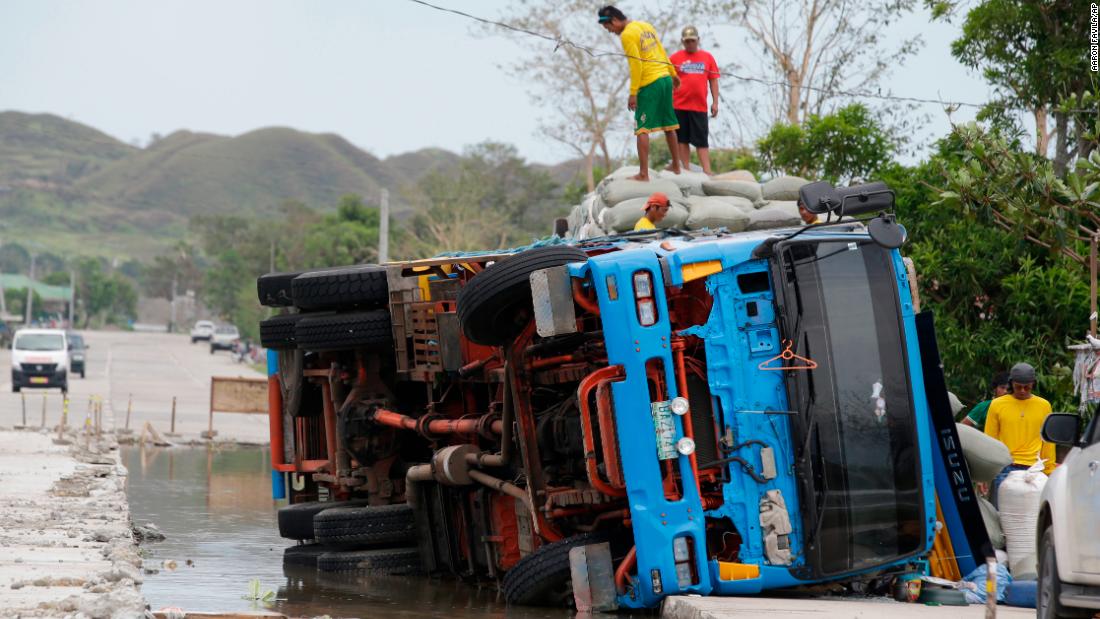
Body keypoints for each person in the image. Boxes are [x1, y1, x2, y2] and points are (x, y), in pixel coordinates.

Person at [598, 6, 681, 181]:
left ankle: (643, 174)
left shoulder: (627, 35)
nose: (611, 32)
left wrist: (633, 93)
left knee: (642, 128)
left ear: (614, 20)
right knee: (669, 125)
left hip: (649, 83)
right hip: (665, 79)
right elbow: (661, 51)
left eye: (609, 28)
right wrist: (673, 73)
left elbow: (636, 65)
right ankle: (676, 165)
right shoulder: (645, 26)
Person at [985, 362, 1056, 507]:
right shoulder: (997, 404)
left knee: (1032, 517)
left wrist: (1049, 471)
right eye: (1018, 387)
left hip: (1034, 470)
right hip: (1004, 468)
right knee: (1003, 516)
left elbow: (1048, 441)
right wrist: (985, 473)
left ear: (1033, 384)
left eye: (1027, 387)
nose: (1022, 391)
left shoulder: (1044, 405)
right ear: (1011, 384)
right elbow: (989, 439)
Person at [669, 26, 720, 174]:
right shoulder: (675, 58)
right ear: (682, 42)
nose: (690, 44)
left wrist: (715, 102)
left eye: (692, 41)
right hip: (679, 105)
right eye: (687, 41)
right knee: (682, 140)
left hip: (699, 107)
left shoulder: (707, 58)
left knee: (701, 141)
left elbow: (714, 80)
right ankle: (685, 169)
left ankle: (707, 170)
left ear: (698, 40)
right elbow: (667, 79)